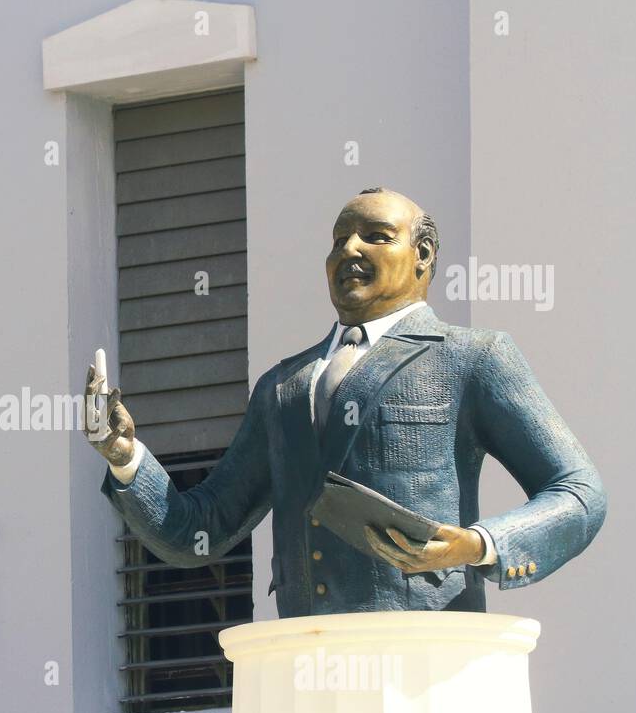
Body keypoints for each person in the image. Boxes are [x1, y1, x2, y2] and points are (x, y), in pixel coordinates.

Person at [85, 187, 606, 617]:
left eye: (376, 237)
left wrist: (478, 544)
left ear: (422, 256)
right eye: (338, 240)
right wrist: (126, 458)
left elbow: (580, 493)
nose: (349, 251)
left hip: (427, 654)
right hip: (304, 660)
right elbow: (198, 529)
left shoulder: (473, 357)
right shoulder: (283, 385)